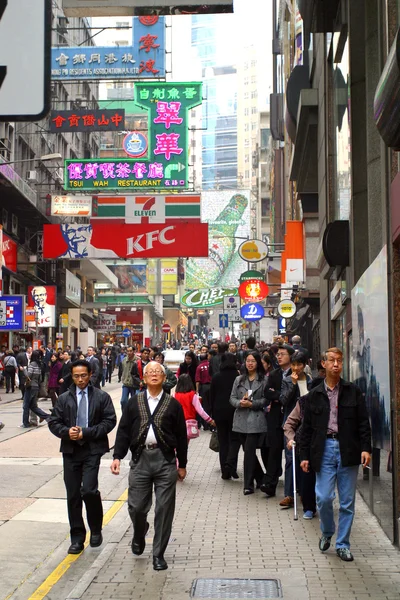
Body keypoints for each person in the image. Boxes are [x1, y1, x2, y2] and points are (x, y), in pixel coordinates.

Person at [110, 361, 188, 571]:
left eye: (158, 372)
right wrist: (117, 456)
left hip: (165, 460)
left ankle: (158, 555)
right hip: (140, 458)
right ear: (143, 379)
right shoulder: (133, 403)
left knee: (164, 508)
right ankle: (139, 530)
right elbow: (124, 431)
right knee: (136, 506)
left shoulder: (173, 405)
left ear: (164, 378)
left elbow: (182, 436)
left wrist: (182, 464)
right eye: (149, 372)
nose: (154, 375)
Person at [300, 347, 372, 561]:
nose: (336, 364)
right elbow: (307, 428)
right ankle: (327, 531)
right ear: (323, 364)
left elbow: (363, 423)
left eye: (339, 361)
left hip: (348, 449)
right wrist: (304, 455)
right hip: (323, 450)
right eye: (331, 360)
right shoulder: (314, 394)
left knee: (347, 502)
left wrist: (366, 448)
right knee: (323, 498)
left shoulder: (353, 391)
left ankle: (342, 544)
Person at [48, 359, 117, 555]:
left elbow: (110, 421)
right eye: (76, 376)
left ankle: (96, 528)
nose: (80, 380)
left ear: (90, 375)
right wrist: (66, 431)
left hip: (92, 449)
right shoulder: (64, 398)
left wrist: (86, 432)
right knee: (73, 495)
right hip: (70, 451)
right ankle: (77, 537)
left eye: (83, 376)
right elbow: (54, 422)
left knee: (88, 490)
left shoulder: (101, 397)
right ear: (71, 375)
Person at [230, 351, 268, 495]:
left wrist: (252, 404)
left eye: (253, 361)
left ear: (258, 362)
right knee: (248, 451)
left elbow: (266, 400)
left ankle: (248, 484)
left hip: (256, 419)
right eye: (248, 361)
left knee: (249, 452)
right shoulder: (239, 379)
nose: (250, 363)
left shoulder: (264, 380)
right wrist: (240, 403)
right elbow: (232, 398)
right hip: (240, 419)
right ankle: (261, 478)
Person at [282, 352, 315, 519]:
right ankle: (289, 494)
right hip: (292, 423)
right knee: (290, 458)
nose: (296, 368)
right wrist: (293, 385)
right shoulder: (287, 380)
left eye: (299, 364)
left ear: (304, 365)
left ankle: (304, 493)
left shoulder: (311, 381)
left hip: (308, 426)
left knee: (305, 460)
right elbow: (284, 402)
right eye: (293, 364)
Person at [261, 344, 294, 500]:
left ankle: (292, 489)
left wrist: (278, 395)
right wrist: (282, 396)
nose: (278, 357)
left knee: (290, 455)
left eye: (282, 354)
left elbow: (294, 395)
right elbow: (267, 393)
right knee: (273, 451)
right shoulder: (274, 374)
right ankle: (270, 485)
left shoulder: (296, 373)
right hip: (275, 417)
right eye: (278, 354)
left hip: (291, 419)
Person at [209, 352, 240, 479]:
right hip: (235, 411)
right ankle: (231, 466)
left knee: (223, 441)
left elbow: (212, 396)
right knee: (234, 439)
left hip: (219, 412)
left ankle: (224, 471)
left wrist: (212, 414)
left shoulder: (216, 377)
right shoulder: (238, 376)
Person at [174, 374, 215, 439]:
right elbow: (200, 410)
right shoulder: (192, 395)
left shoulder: (175, 395)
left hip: (177, 422)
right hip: (189, 423)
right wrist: (210, 420)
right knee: (185, 445)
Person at [20, 350, 51, 428]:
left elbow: (28, 375)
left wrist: (24, 369)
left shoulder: (32, 364)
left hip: (30, 387)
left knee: (26, 405)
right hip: (36, 386)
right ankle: (47, 417)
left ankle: (25, 423)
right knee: (33, 406)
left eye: (31, 354)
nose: (29, 354)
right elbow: (41, 378)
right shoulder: (40, 365)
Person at [195, 352, 212, 431]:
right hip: (211, 386)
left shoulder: (199, 367)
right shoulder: (211, 365)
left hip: (204, 387)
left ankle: (206, 425)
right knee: (211, 404)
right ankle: (212, 424)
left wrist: (197, 390)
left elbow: (197, 380)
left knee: (204, 406)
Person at [120, 346, 137, 411]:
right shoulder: (124, 360)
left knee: (134, 402)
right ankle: (124, 415)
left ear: (134, 351)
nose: (129, 352)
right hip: (126, 384)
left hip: (134, 385)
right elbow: (122, 370)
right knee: (123, 401)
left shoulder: (137, 360)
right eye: (128, 351)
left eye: (130, 351)